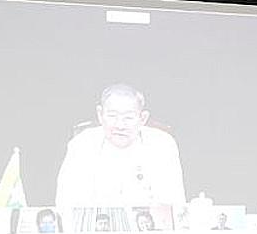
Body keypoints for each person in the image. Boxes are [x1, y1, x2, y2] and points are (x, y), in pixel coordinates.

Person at [55, 84, 186, 219]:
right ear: (100, 115)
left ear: (143, 118)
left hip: (147, 233)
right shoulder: (81, 144)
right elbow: (66, 203)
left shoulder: (162, 144)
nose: (120, 125)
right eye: (112, 116)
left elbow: (173, 204)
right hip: (95, 233)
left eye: (128, 118)